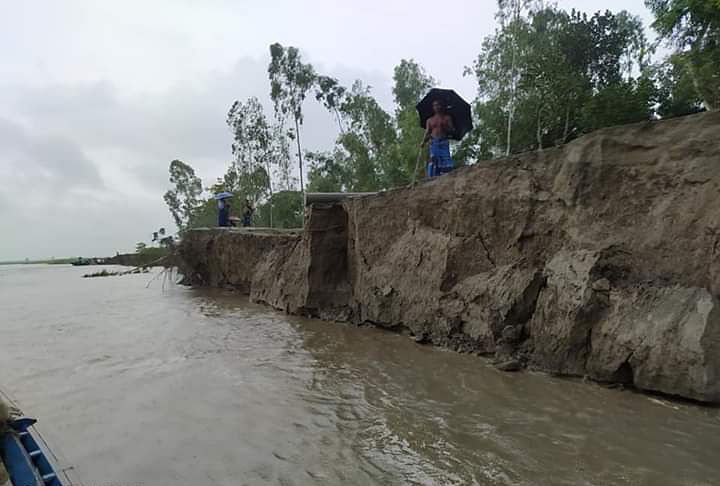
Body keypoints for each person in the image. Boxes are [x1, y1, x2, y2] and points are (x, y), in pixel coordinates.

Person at [421, 99, 455, 177]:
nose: (436, 107)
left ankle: (447, 175)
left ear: (441, 106)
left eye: (438, 105)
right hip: (434, 142)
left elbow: (452, 130)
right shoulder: (429, 120)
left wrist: (446, 127)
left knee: (446, 158)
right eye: (435, 105)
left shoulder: (447, 118)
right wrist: (423, 142)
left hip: (443, 141)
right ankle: (432, 177)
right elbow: (427, 132)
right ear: (433, 107)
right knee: (433, 159)